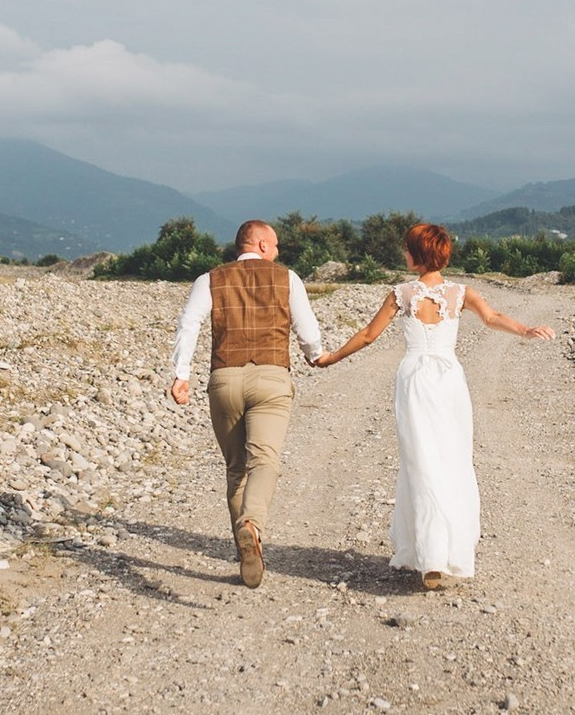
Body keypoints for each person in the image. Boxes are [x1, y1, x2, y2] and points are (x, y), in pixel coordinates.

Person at [315, 223, 554, 589]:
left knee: (420, 459)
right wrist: (525, 330)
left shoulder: (402, 294)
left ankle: (430, 552)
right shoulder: (461, 292)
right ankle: (442, 551)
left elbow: (367, 335)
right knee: (452, 458)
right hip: (449, 379)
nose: (404, 254)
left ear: (417, 256)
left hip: (414, 379)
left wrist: (333, 357)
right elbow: (492, 318)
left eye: (407, 249)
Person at [168, 220, 323, 588]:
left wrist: (181, 374)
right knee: (265, 460)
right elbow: (307, 331)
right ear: (262, 245)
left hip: (225, 380)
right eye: (276, 245)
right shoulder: (288, 278)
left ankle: (245, 553)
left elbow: (189, 323)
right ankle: (251, 524)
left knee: (236, 467)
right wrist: (315, 355)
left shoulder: (209, 279)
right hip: (271, 378)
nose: (278, 251)